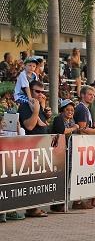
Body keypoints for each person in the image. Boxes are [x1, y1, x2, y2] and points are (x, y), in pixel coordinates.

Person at [17, 81, 49, 217]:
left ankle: (35, 207)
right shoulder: (25, 106)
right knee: (32, 180)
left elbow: (43, 124)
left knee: (40, 180)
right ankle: (32, 208)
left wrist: (43, 111)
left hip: (41, 147)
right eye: (37, 92)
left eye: (42, 92)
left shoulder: (38, 105)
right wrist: (36, 110)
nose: (40, 95)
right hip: (30, 147)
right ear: (29, 91)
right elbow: (29, 126)